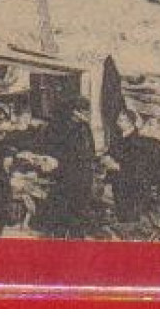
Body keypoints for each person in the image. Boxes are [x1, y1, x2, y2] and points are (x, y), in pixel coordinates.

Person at [36, 97, 97, 239]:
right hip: (71, 174)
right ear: (75, 112)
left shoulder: (83, 127)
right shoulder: (67, 127)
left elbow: (89, 151)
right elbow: (62, 151)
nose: (86, 115)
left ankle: (74, 238)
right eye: (84, 112)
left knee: (77, 210)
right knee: (67, 210)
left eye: (87, 112)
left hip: (81, 174)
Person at [105, 111, 160, 223]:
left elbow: (139, 166)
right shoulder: (118, 139)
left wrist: (119, 166)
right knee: (121, 214)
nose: (117, 123)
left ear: (130, 123)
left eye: (121, 120)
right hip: (118, 183)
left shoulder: (139, 142)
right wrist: (107, 159)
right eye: (118, 120)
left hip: (133, 185)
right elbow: (112, 153)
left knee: (131, 218)